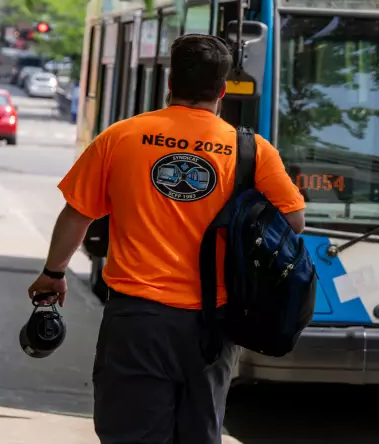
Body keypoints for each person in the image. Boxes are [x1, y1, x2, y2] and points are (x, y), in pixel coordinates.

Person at [27, 33, 306, 443]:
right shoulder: (251, 150)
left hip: (136, 321)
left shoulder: (121, 137)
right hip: (214, 323)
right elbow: (293, 221)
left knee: (131, 434)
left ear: (170, 82)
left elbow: (77, 214)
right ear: (222, 90)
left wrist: (53, 274)